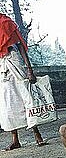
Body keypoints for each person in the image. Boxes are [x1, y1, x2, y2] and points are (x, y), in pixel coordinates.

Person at [0, 12, 45, 150]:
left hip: (13, 59)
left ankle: (36, 133)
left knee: (25, 95)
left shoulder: (5, 23)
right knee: (8, 102)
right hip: (1, 65)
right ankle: (15, 139)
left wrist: (29, 69)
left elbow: (20, 47)